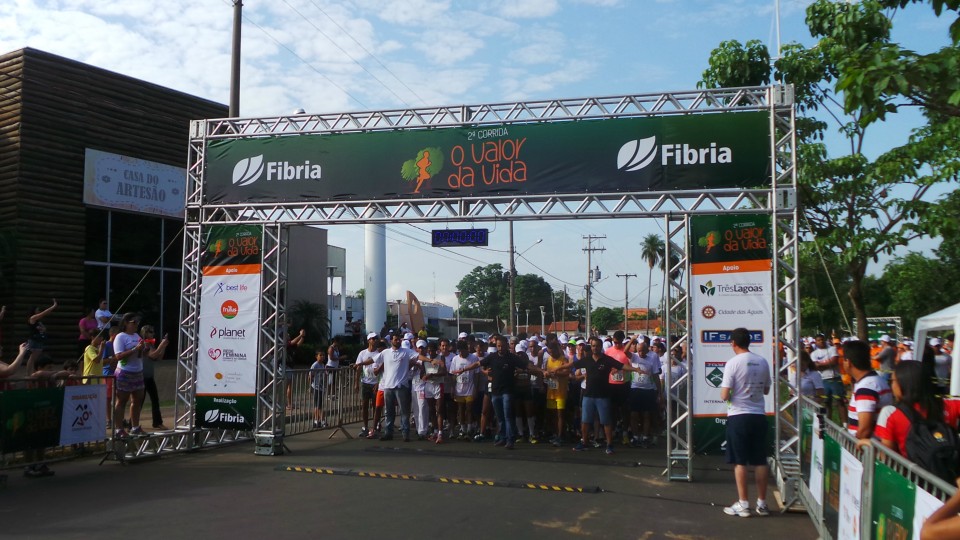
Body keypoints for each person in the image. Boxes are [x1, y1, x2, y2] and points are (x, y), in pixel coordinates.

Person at [720, 328, 772, 518]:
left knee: (740, 461)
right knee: (760, 460)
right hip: (758, 415)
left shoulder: (733, 363)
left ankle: (743, 504)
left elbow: (725, 394)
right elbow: (766, 390)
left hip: (738, 416)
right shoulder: (762, 361)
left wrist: (729, 395)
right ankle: (762, 503)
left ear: (733, 343)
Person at [564, 336, 639, 455]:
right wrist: (558, 368)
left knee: (606, 421)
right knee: (585, 421)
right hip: (588, 395)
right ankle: (584, 442)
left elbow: (622, 366)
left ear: (600, 347)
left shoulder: (607, 359)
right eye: (593, 346)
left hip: (603, 396)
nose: (595, 348)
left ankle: (609, 445)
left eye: (597, 346)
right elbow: (571, 365)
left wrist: (635, 369)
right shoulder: (587, 359)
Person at [480, 335, 529, 450]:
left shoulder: (512, 357)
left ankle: (510, 439)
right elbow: (478, 364)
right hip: (495, 391)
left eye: (502, 346)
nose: (500, 348)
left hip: (508, 390)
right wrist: (463, 369)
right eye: (498, 346)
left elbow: (526, 365)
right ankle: (502, 437)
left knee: (508, 416)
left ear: (507, 345)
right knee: (500, 416)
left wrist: (540, 371)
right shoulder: (492, 357)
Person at [845, 339, 893, 439]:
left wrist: (855, 446)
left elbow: (864, 430)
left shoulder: (866, 387)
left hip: (866, 449)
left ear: (848, 362)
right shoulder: (873, 381)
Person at [375, 332, 418, 442]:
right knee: (388, 412)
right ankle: (388, 433)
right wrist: (360, 364)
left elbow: (418, 356)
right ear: (391, 341)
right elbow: (373, 359)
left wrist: (430, 360)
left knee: (404, 411)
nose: (398, 341)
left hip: (401, 386)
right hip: (388, 387)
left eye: (399, 339)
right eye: (395, 339)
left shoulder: (406, 352)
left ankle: (405, 433)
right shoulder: (385, 352)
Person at [113, 313, 148, 438]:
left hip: (138, 372)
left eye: (137, 323)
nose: (136, 325)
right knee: (121, 401)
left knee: (137, 400)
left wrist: (143, 349)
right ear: (126, 323)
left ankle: (135, 427)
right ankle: (119, 429)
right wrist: (134, 349)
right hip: (124, 372)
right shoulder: (120, 337)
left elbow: (140, 355)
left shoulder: (137, 335)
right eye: (133, 322)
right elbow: (118, 356)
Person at [139, 325, 170, 430]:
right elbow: (152, 355)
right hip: (142, 377)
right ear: (145, 333)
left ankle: (157, 422)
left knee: (155, 399)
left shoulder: (151, 345)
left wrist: (164, 347)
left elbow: (158, 358)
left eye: (152, 332)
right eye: (150, 332)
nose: (153, 333)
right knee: (139, 401)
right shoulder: (144, 344)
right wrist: (161, 345)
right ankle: (132, 424)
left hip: (149, 377)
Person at [354, 332, 382, 438]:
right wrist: (356, 383)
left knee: (376, 407)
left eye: (376, 338)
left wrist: (379, 383)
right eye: (373, 338)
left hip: (375, 383)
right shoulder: (362, 353)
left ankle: (375, 428)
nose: (375, 340)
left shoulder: (379, 354)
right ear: (368, 340)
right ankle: (365, 427)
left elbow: (382, 370)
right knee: (364, 406)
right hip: (365, 383)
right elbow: (358, 368)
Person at [26, 299, 57, 373]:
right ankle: (28, 374)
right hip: (33, 340)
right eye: (37, 310)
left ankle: (34, 373)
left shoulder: (38, 321)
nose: (39, 311)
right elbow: (44, 313)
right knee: (32, 358)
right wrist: (53, 306)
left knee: (36, 358)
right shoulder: (32, 318)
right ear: (34, 310)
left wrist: (42, 329)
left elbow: (44, 329)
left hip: (39, 340)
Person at [310, 350, 328, 429]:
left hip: (321, 387)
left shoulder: (322, 365)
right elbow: (310, 376)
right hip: (316, 387)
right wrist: (310, 386)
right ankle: (318, 420)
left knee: (319, 404)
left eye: (323, 355)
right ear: (316, 356)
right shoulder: (315, 365)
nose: (322, 357)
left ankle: (318, 420)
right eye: (320, 355)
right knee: (318, 405)